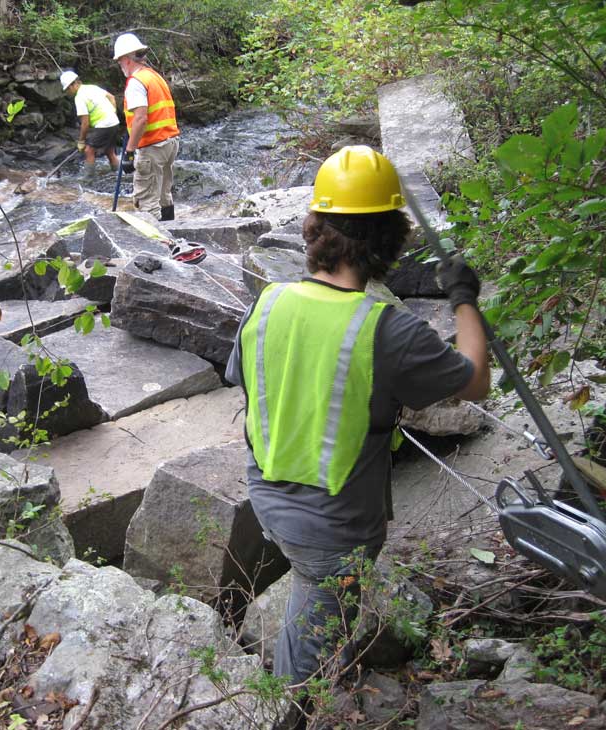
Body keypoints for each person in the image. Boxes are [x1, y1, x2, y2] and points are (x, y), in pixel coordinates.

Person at [225, 145, 490, 687]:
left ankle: (318, 674)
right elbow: (476, 382)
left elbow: (246, 379)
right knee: (307, 660)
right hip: (335, 527)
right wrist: (464, 300)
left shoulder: (269, 301)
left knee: (318, 612)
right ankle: (290, 708)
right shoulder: (390, 330)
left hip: (268, 499)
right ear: (390, 240)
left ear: (314, 228)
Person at [112, 32, 179, 222]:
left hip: (152, 146)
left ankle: (159, 246)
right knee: (164, 195)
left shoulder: (136, 82)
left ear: (126, 59)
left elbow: (141, 118)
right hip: (170, 142)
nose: (119, 65)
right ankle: (174, 237)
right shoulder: (153, 76)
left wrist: (130, 151)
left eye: (119, 61)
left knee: (146, 201)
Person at [59, 70, 120, 177]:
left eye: (68, 89)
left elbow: (85, 123)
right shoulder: (92, 87)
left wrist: (81, 141)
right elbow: (112, 97)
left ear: (73, 85)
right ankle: (119, 174)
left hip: (104, 125)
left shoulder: (79, 98)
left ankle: (88, 180)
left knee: (89, 150)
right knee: (109, 151)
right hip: (114, 122)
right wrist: (112, 113)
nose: (68, 92)